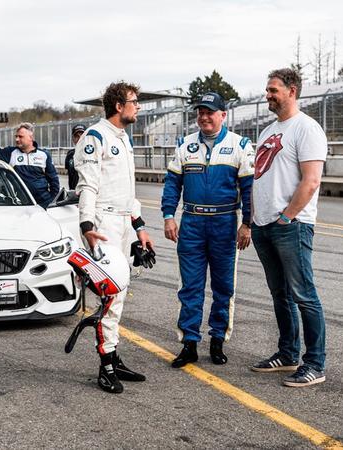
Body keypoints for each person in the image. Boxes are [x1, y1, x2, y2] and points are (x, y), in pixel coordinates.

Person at [161, 92, 254, 367]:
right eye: (200, 112)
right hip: (191, 223)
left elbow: (249, 189)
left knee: (224, 287)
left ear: (223, 115)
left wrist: (246, 224)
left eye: (210, 112)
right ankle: (189, 342)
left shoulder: (241, 145)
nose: (204, 117)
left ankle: (217, 340)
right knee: (190, 287)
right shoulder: (184, 145)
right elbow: (171, 184)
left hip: (225, 224)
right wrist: (169, 216)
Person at [74, 81, 154, 394]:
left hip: (121, 219)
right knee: (110, 295)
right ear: (118, 106)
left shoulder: (123, 138)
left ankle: (114, 355)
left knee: (120, 293)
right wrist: (86, 225)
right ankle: (106, 366)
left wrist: (140, 226)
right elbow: (88, 187)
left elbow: (127, 192)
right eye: (134, 101)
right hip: (103, 222)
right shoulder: (95, 137)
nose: (138, 106)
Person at [251, 68, 327, 387]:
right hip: (263, 226)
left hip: (290, 225)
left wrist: (287, 217)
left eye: (273, 90)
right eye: (267, 90)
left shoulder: (306, 129)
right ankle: (287, 353)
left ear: (291, 91)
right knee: (279, 293)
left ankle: (315, 363)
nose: (268, 94)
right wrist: (256, 220)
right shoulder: (268, 130)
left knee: (303, 294)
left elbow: (311, 181)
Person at [0, 122, 59, 208]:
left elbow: (54, 181)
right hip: (20, 204)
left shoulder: (44, 155)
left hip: (43, 203)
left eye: (20, 136)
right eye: (16, 136)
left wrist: (51, 201)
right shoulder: (11, 152)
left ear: (31, 137)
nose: (17, 139)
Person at [65, 124, 86, 189]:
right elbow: (70, 176)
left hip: (89, 193)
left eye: (82, 135)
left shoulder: (94, 153)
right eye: (76, 136)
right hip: (74, 192)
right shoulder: (70, 154)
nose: (79, 138)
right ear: (73, 138)